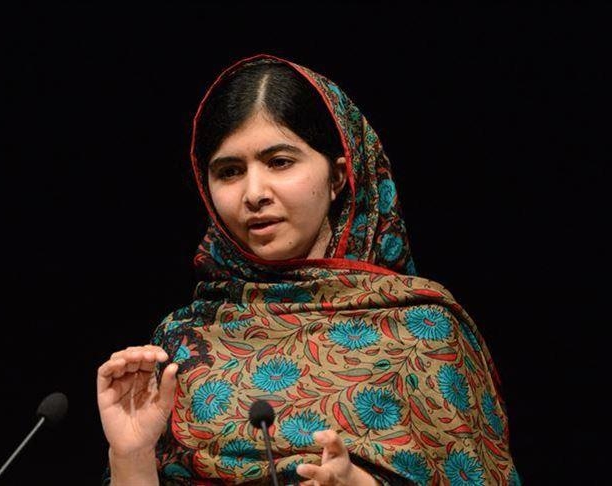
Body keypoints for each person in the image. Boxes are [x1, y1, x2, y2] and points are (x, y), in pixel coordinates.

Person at [96, 53, 519, 485]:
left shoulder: (422, 333)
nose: (254, 193)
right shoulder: (180, 344)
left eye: (279, 162)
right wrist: (131, 456)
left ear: (338, 177)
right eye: (230, 171)